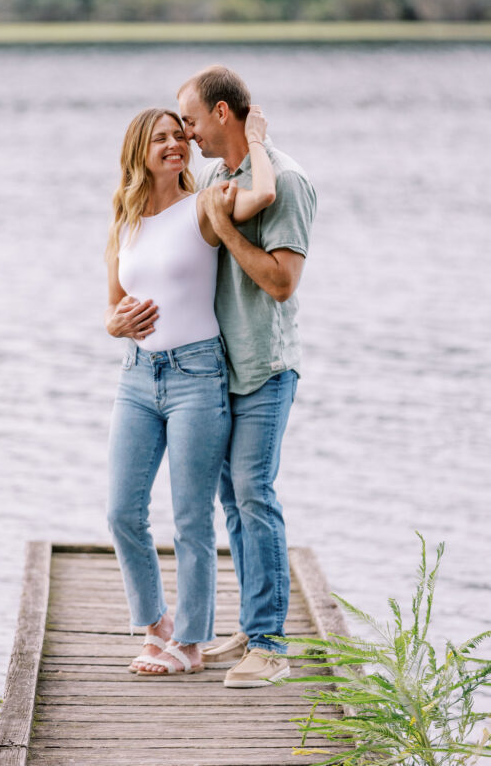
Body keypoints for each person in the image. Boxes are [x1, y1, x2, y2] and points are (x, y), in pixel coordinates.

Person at [104, 105, 276, 676]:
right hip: (136, 375)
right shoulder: (123, 216)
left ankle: (193, 643)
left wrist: (257, 144)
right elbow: (111, 306)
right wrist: (115, 325)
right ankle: (157, 625)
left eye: (181, 136)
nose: (176, 145)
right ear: (139, 150)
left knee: (191, 518)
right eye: (162, 138)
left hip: (197, 376)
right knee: (122, 511)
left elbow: (263, 197)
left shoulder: (204, 203)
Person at [178, 65, 316, 688]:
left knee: (253, 493)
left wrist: (229, 229)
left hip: (264, 366)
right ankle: (253, 624)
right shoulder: (214, 173)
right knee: (231, 500)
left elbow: (282, 283)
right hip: (217, 366)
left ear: (224, 114)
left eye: (192, 119)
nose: (188, 132)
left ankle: (271, 645)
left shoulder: (286, 180)